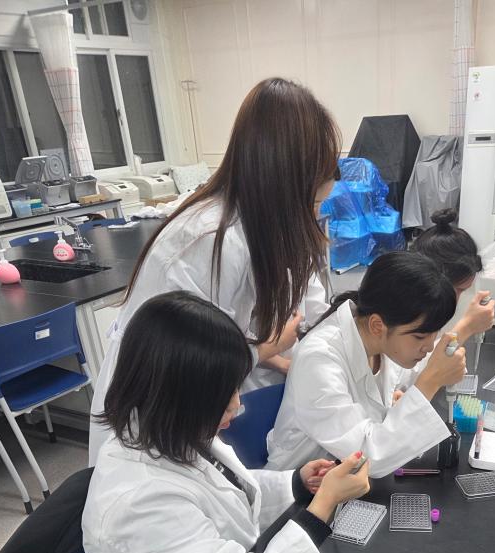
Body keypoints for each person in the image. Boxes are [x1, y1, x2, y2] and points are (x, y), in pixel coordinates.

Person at [83, 292, 369, 553]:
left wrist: (298, 484)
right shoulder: (139, 499)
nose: (238, 405)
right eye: (223, 396)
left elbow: (227, 494)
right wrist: (320, 511)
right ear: (177, 396)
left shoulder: (167, 431)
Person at [88, 76, 341, 464]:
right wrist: (269, 348)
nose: (314, 213)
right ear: (284, 179)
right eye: (312, 200)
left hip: (220, 395)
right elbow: (191, 359)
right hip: (162, 410)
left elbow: (304, 310)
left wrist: (294, 352)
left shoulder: (270, 227)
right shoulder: (208, 242)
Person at [266, 251, 493, 478]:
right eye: (420, 337)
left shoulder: (378, 338)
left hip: (347, 481)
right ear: (377, 325)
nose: (428, 346)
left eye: (434, 335)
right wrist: (430, 382)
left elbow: (414, 370)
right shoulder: (319, 358)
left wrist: (453, 344)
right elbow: (367, 457)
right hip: (303, 487)